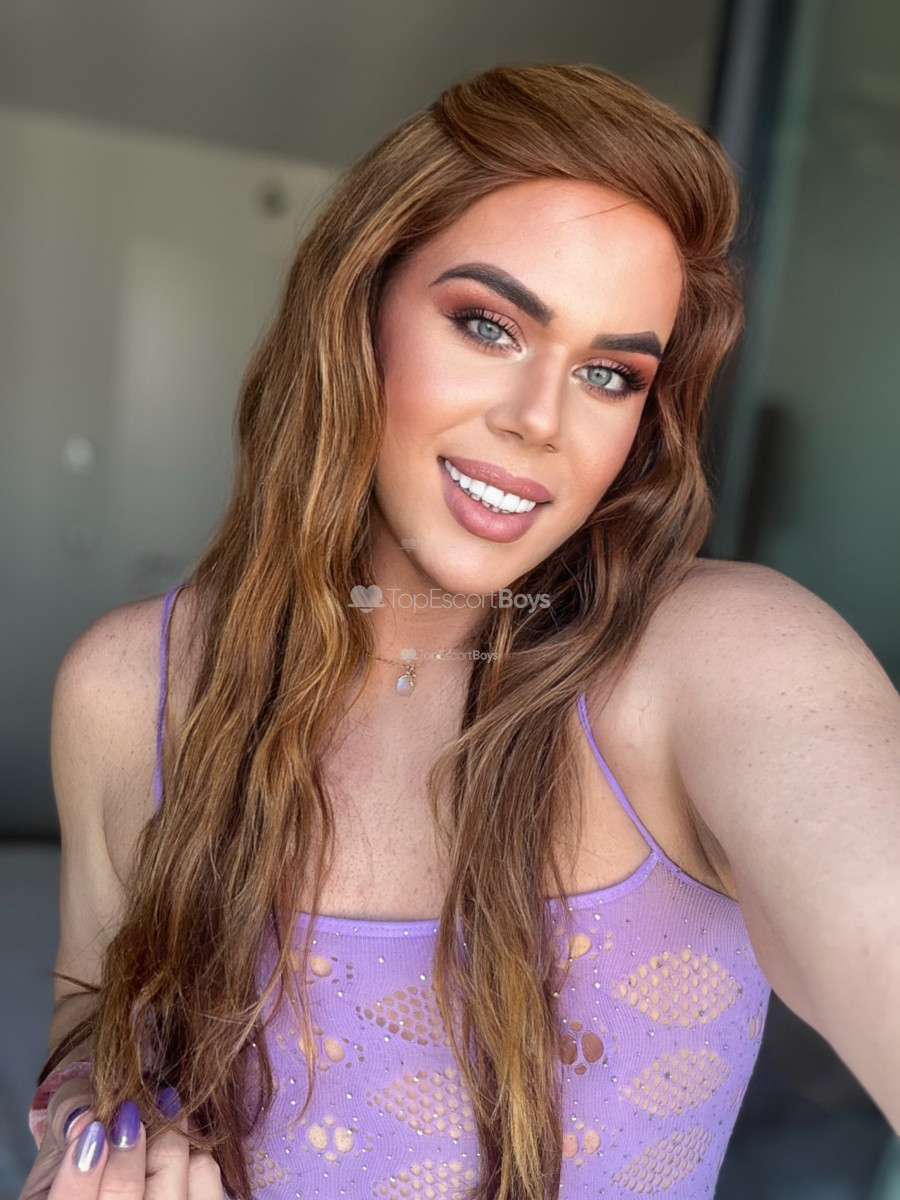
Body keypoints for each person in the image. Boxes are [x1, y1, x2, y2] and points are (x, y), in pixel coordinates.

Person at [20, 62, 900, 1200]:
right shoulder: (127, 686)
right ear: (359, 310)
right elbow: (92, 1004)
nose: (540, 421)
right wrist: (88, 1126)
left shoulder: (718, 659)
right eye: (488, 325)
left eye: (609, 373)